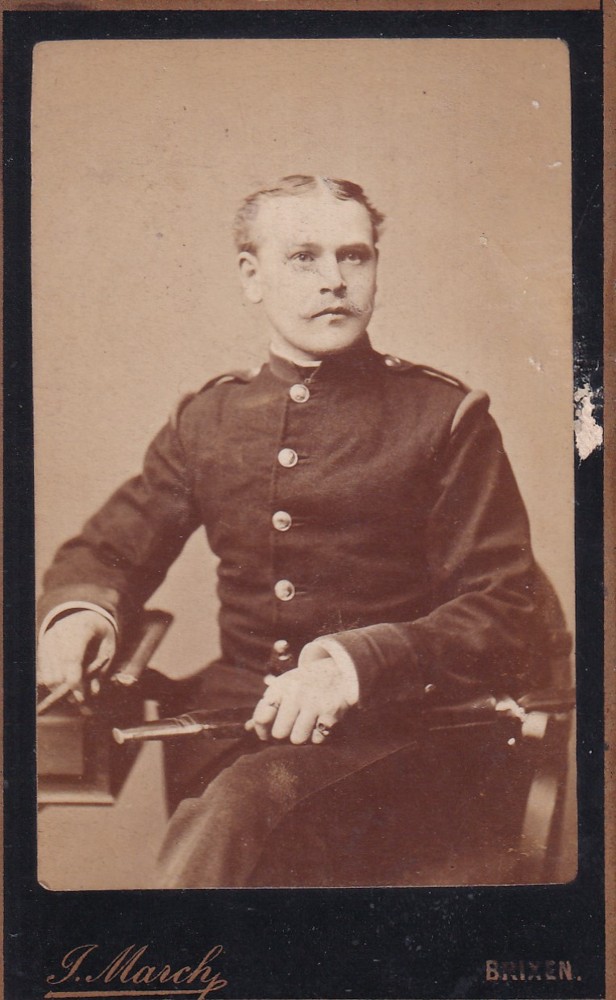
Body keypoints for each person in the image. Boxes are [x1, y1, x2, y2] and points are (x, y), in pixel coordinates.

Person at [37, 175, 546, 888]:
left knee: (240, 816)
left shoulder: (445, 418)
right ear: (253, 277)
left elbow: (504, 608)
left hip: (400, 742)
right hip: (230, 730)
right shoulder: (209, 420)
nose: (334, 280)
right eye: (304, 258)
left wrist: (349, 666)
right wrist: (80, 614)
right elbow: (108, 550)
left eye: (354, 256)